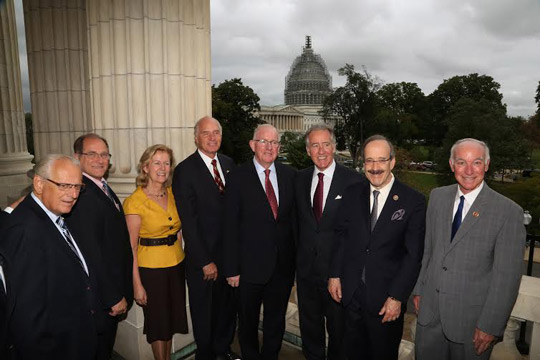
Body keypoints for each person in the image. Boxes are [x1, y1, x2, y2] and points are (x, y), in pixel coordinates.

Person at [413, 138, 526, 360]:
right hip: (430, 316)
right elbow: (428, 250)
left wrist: (490, 326)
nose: (468, 170)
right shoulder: (437, 197)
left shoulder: (508, 212)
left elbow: (507, 278)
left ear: (487, 164)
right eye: (461, 162)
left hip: (472, 325)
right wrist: (419, 290)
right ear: (451, 164)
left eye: (476, 162)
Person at [328, 135, 426, 360]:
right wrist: (334, 274)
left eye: (381, 160)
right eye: (369, 161)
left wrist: (397, 297)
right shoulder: (352, 193)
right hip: (350, 296)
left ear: (392, 162)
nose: (374, 168)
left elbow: (413, 256)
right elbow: (341, 236)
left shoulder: (413, 201)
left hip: (385, 303)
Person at [0, 154, 98, 359]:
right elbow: (27, 316)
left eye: (77, 187)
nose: (73, 194)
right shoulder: (25, 230)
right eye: (64, 185)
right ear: (39, 184)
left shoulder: (52, 213)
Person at [224, 124, 297, 359]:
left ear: (279, 147)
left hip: (282, 268)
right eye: (263, 141)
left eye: (274, 142)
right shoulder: (237, 177)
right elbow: (230, 226)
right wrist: (232, 269)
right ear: (252, 145)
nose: (269, 147)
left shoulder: (290, 176)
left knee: (276, 322)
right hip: (247, 270)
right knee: (247, 323)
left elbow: (294, 223)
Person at [172, 116, 238, 360]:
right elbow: (188, 221)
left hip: (229, 258)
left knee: (226, 310)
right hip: (204, 261)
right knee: (204, 313)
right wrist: (204, 260)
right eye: (206, 133)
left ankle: (223, 351)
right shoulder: (184, 171)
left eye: (216, 133)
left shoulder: (229, 164)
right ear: (196, 137)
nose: (212, 138)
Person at [295, 124, 363, 360]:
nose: (321, 150)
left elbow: (357, 235)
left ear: (334, 147)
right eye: (315, 145)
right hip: (305, 275)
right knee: (310, 331)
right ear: (307, 151)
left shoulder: (354, 182)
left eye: (326, 144)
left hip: (339, 277)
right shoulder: (299, 180)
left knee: (339, 334)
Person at [66, 133, 133, 359]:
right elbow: (91, 253)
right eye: (92, 154)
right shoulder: (82, 193)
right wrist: (112, 296)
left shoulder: (101, 186)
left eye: (104, 154)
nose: (100, 159)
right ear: (77, 157)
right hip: (101, 296)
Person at [124, 144, 188, 360]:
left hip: (176, 265)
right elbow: (130, 248)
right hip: (151, 271)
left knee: (170, 322)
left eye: (167, 163)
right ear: (145, 167)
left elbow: (178, 229)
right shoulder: (134, 201)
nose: (162, 168)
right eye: (157, 163)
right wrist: (137, 285)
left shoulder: (172, 193)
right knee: (158, 325)